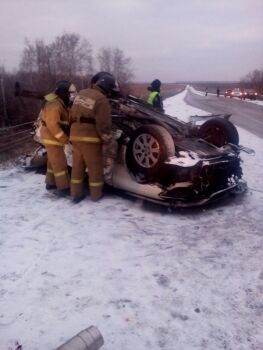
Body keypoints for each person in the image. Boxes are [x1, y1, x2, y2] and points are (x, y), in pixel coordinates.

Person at [69, 72, 119, 203]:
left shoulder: (81, 93)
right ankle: (96, 195)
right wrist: (108, 139)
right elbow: (103, 123)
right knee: (94, 168)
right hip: (90, 138)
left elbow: (71, 113)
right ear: (108, 87)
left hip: (75, 135)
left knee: (77, 167)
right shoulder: (101, 99)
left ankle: (75, 194)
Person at [40, 80, 77, 196]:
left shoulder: (59, 102)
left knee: (53, 161)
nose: (71, 96)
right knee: (60, 162)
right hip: (52, 137)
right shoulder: (54, 104)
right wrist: (65, 139)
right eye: (69, 94)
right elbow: (53, 124)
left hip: (51, 136)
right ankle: (64, 187)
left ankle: (50, 183)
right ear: (63, 93)